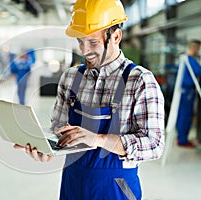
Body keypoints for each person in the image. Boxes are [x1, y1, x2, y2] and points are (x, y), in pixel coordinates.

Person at [15, 0, 165, 199]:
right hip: (73, 181)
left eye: (93, 42)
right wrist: (48, 150)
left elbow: (154, 145)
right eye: (80, 41)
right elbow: (58, 128)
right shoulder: (71, 77)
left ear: (116, 36)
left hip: (117, 187)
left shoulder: (139, 80)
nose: (84, 51)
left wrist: (98, 139)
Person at [176, 39, 201, 148]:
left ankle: (180, 137)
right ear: (195, 48)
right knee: (186, 116)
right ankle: (183, 140)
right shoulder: (190, 60)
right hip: (188, 93)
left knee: (181, 115)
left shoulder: (183, 59)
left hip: (182, 92)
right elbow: (199, 71)